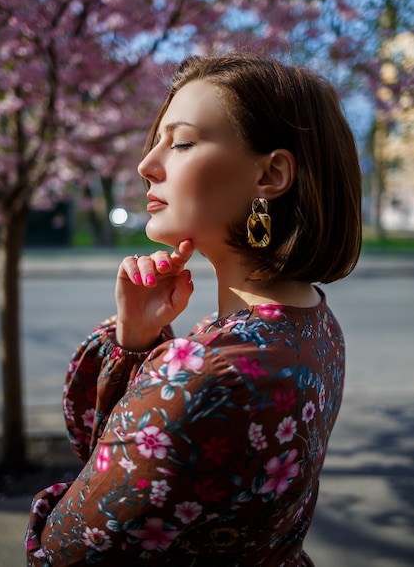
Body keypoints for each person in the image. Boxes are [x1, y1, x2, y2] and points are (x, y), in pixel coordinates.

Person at [26, 53, 362, 566]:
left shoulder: (204, 372)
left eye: (181, 142)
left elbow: (60, 552)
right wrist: (137, 339)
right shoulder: (312, 319)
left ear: (271, 174)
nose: (146, 165)